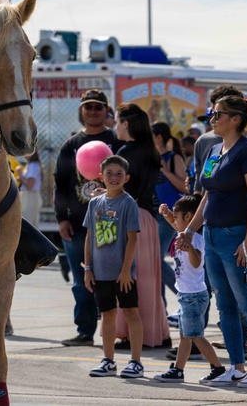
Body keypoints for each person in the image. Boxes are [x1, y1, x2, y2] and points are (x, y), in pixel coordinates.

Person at [177, 95, 247, 387]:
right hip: (212, 234)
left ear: (235, 119)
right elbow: (208, 194)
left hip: (237, 235)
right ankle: (236, 367)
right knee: (224, 305)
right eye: (212, 113)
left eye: (217, 113)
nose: (212, 117)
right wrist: (191, 230)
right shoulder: (214, 149)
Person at [54, 89, 122, 347]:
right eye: (88, 107)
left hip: (111, 223)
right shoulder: (71, 145)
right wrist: (62, 218)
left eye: (98, 107)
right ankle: (84, 331)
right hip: (77, 225)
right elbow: (59, 183)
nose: (93, 111)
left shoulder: (117, 141)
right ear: (82, 111)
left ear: (107, 111)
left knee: (114, 280)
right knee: (81, 282)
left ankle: (117, 332)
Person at [112, 103, 171, 349]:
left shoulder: (126, 151)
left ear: (126, 123)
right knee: (148, 278)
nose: (114, 126)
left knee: (127, 277)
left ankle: (132, 334)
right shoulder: (150, 151)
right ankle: (156, 332)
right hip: (147, 217)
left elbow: (121, 187)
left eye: (116, 121)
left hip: (128, 216)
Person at [83, 155, 144, 379]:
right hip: (100, 272)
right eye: (109, 174)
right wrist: (87, 268)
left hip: (123, 273)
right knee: (107, 314)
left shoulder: (128, 203)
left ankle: (136, 362)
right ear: (101, 177)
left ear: (126, 178)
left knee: (131, 312)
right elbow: (89, 237)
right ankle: (108, 360)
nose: (114, 178)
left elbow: (132, 239)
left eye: (119, 174)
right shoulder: (94, 204)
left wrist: (126, 270)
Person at [153, 195, 226, 383]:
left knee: (195, 337)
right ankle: (178, 370)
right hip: (187, 295)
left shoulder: (196, 240)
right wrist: (168, 213)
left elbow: (196, 263)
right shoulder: (183, 233)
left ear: (188, 217)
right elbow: (174, 223)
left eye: (176, 217)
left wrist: (189, 251)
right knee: (185, 337)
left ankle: (218, 368)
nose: (173, 221)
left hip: (193, 296)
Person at [151, 122, 187, 305]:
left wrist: (164, 169)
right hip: (150, 214)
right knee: (153, 262)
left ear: (158, 137)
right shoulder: (150, 158)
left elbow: (184, 186)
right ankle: (160, 309)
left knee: (155, 259)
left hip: (167, 216)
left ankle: (184, 294)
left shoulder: (174, 159)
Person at [19, 151, 43, 226]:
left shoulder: (33, 165)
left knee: (27, 224)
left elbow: (30, 186)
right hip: (28, 196)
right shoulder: (30, 165)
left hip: (30, 196)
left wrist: (20, 175)